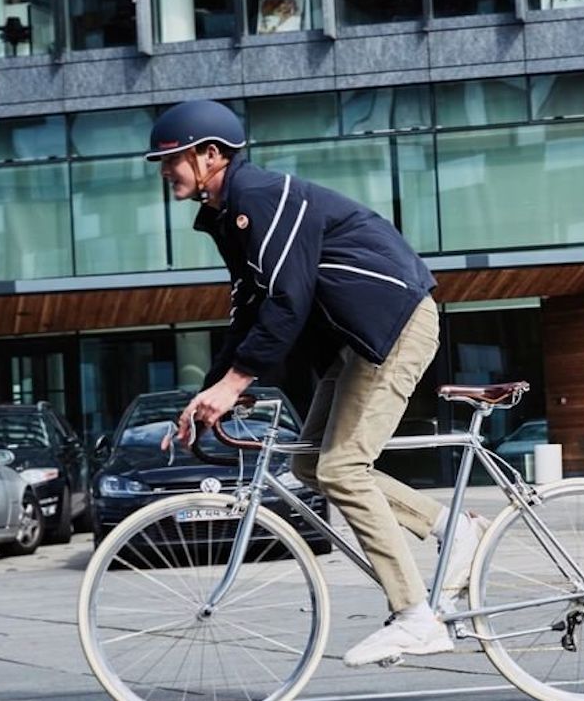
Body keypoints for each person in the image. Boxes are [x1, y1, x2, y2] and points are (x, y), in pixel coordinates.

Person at [145, 99, 486, 668]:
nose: (164, 170)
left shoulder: (258, 195)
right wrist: (210, 391)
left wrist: (235, 383)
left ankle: (415, 618)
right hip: (355, 341)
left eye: (171, 158)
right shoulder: (231, 215)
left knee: (342, 467)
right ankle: (455, 529)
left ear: (209, 155)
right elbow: (249, 310)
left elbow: (286, 301)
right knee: (310, 466)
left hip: (393, 325)